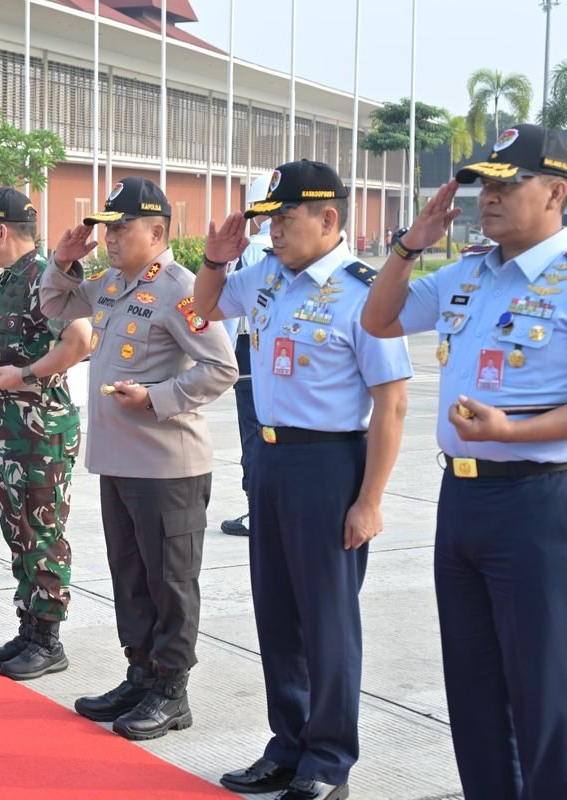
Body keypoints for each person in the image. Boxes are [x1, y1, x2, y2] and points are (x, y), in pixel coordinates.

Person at [361, 123, 567, 800]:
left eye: (511, 185)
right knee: (474, 687)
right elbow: (380, 320)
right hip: (463, 500)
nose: (491, 198)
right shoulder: (468, 270)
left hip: (540, 501)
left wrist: (514, 429)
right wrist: (409, 245)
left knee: (544, 690)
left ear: (557, 192)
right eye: (486, 184)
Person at [194, 159, 411, 800]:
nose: (274, 232)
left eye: (284, 220)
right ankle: (287, 745)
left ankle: (329, 760)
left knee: (327, 622)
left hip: (330, 464)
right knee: (278, 614)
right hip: (269, 458)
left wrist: (369, 501)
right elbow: (203, 308)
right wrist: (215, 258)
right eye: (269, 220)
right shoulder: (262, 273)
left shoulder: (363, 291)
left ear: (328, 218)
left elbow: (392, 404)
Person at [40, 177, 238, 739]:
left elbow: (221, 366)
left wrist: (156, 398)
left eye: (121, 228)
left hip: (167, 465)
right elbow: (54, 302)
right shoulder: (108, 285)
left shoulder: (180, 288)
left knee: (170, 582)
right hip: (119, 462)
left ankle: (172, 691)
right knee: (131, 578)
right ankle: (141, 673)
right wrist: (64, 260)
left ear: (157, 231)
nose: (110, 238)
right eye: (107, 228)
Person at [0, 187, 91, 681]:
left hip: (40, 434)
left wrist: (26, 375)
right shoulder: (14, 277)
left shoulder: (49, 278)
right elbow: (2, 303)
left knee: (42, 532)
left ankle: (49, 639)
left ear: (1, 231)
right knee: (18, 531)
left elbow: (79, 340)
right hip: (11, 435)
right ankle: (30, 628)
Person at [221, 173, 274, 537]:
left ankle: (257, 507)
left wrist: (222, 359)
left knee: (253, 432)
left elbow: (226, 312)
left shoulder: (251, 248)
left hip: (247, 349)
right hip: (277, 350)